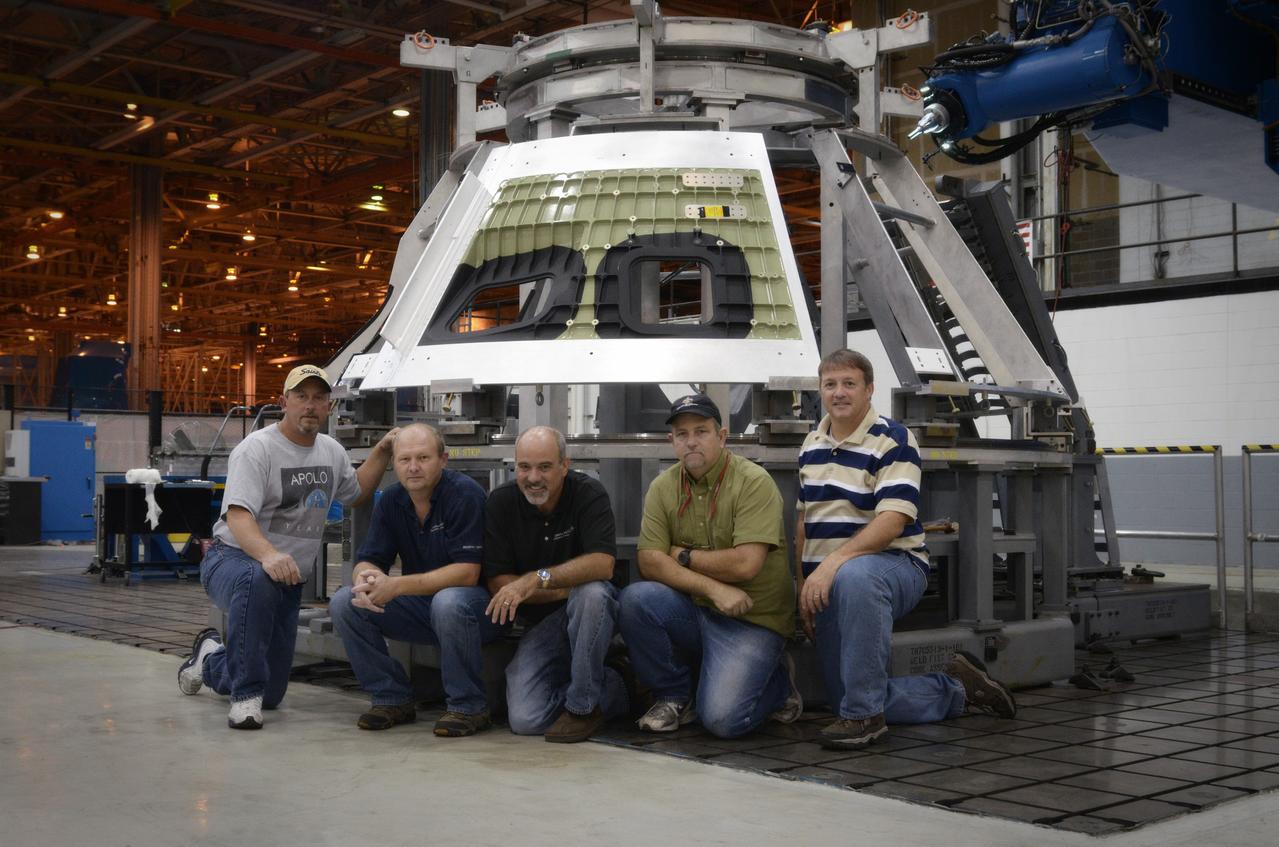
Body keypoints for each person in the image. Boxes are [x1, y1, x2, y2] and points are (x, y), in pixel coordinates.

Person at [796, 348, 1016, 750]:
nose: (839, 392)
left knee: (856, 578)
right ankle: (957, 690)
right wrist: (803, 585)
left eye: (849, 384)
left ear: (869, 389)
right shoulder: (811, 444)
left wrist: (832, 564)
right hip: (829, 580)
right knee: (840, 695)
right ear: (820, 391)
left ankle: (865, 719)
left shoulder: (894, 438)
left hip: (895, 566)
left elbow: (892, 521)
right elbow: (803, 523)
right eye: (830, 384)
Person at [178, 364, 396, 729]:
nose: (310, 405)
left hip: (287, 577)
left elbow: (356, 492)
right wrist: (270, 554)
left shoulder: (331, 451)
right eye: (301, 397)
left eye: (318, 398)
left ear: (329, 406)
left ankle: (212, 658)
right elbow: (238, 517)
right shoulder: (257, 449)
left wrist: (386, 449)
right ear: (284, 402)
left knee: (275, 692)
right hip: (232, 559)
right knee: (257, 579)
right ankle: (245, 699)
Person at [620, 393, 801, 738]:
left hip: (752, 620)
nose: (691, 442)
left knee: (722, 721)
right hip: (699, 608)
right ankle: (674, 695)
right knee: (636, 600)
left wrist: (682, 555)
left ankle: (778, 684)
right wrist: (713, 588)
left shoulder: (753, 482)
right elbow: (649, 561)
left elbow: (746, 565)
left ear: (722, 436)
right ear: (671, 441)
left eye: (701, 431)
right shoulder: (663, 486)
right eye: (682, 434)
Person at [327, 423, 502, 737]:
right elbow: (370, 557)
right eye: (405, 459)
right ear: (394, 463)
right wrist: (366, 578)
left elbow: (467, 572)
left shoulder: (464, 495)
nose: (413, 467)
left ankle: (468, 706)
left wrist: (395, 586)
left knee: (448, 601)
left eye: (423, 458)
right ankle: (391, 697)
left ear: (443, 460)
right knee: (345, 602)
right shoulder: (393, 500)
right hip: (424, 607)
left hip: (478, 609)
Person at [483, 425, 628, 743]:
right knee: (525, 719)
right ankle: (620, 684)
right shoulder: (501, 503)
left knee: (591, 595)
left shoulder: (589, 494)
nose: (533, 477)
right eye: (524, 467)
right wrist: (559, 588)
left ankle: (582, 708)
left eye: (545, 466)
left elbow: (602, 564)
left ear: (565, 465)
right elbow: (500, 584)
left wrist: (537, 580)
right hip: (543, 624)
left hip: (591, 614)